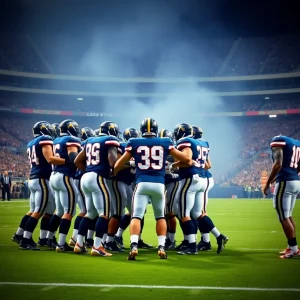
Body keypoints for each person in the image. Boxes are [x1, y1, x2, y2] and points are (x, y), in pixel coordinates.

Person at [114, 118, 192, 260]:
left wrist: (131, 165)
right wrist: (172, 165)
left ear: (141, 129)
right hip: (159, 184)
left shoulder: (134, 142)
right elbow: (187, 160)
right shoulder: (165, 142)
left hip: (142, 183)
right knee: (160, 216)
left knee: (136, 216)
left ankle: (134, 245)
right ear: (156, 129)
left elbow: (118, 164)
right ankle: (162, 246)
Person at [74, 121, 120, 256]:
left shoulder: (90, 140)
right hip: (97, 178)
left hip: (85, 177)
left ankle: (79, 243)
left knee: (90, 213)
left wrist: (89, 170)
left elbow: (77, 160)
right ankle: (97, 246)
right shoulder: (109, 140)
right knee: (104, 213)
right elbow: (112, 161)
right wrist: (116, 169)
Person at [263, 135, 300, 259]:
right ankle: (291, 246)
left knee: (283, 217)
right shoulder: (297, 144)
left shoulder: (277, 141)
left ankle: (294, 249)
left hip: (285, 181)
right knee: (288, 215)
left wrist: (267, 183)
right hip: (295, 181)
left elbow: (278, 164)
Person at [49, 119, 81, 252]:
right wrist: (80, 164)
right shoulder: (70, 139)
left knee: (59, 211)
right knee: (69, 212)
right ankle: (61, 244)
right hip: (65, 176)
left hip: (54, 175)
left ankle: (49, 238)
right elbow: (73, 156)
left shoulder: (56, 140)